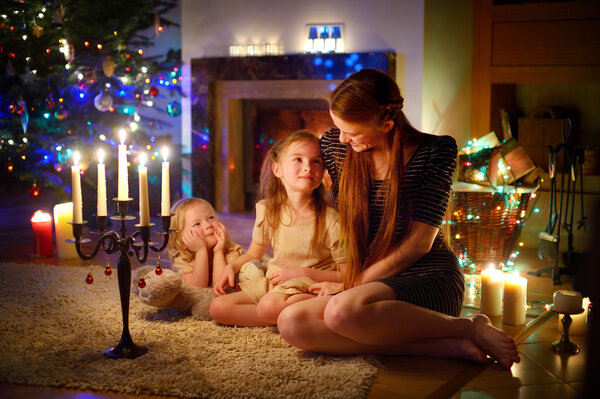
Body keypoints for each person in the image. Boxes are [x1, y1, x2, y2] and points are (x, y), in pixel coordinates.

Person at [276, 69, 520, 369]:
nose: (341, 138)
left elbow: (420, 243)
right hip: (366, 282)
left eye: (351, 132)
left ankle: (470, 326)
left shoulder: (436, 150)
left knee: (342, 312)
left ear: (387, 125)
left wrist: (352, 285)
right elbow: (305, 180)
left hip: (425, 276)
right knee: (291, 322)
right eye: (338, 128)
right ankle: (438, 347)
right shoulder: (336, 146)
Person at [209, 130, 346, 326]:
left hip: (308, 283)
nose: (308, 167)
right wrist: (231, 267)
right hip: (275, 281)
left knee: (268, 306)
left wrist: (303, 273)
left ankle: (297, 310)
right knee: (218, 308)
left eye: (316, 161)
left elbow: (346, 274)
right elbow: (254, 254)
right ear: (277, 170)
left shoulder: (331, 220)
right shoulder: (268, 210)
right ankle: (288, 316)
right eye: (298, 159)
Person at [168, 197, 243, 288]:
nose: (208, 225)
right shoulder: (183, 257)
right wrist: (201, 251)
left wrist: (218, 251)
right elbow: (197, 290)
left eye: (211, 218)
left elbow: (222, 288)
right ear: (183, 241)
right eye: (197, 224)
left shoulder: (230, 250)